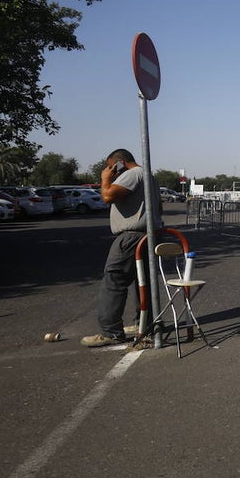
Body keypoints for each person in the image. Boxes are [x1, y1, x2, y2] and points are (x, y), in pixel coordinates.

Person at [81, 149, 158, 347]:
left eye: (111, 167)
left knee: (113, 279)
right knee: (141, 281)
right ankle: (144, 323)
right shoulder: (148, 175)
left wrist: (105, 178)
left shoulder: (132, 175)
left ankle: (111, 332)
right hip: (146, 235)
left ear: (120, 163)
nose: (110, 170)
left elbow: (107, 196)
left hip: (131, 236)